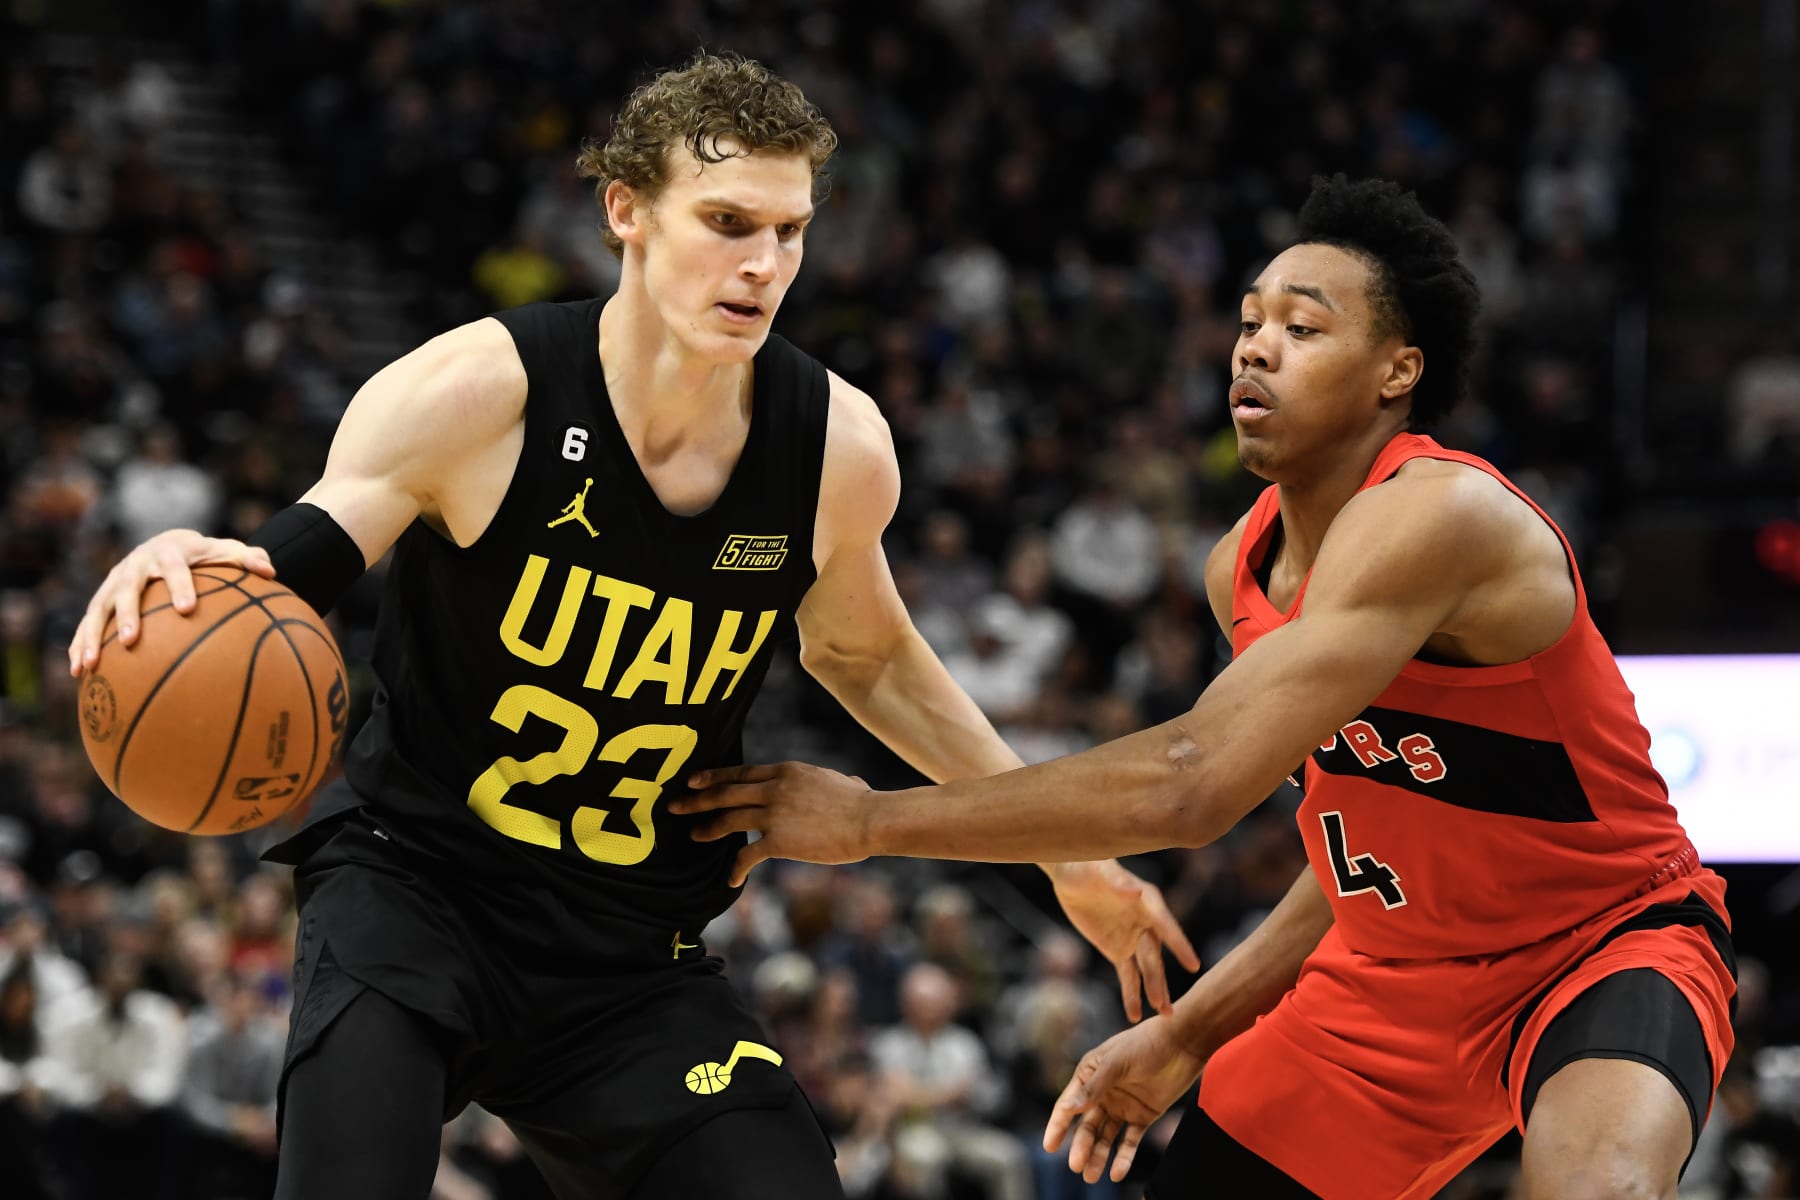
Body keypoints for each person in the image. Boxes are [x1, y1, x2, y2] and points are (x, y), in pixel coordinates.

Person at [64, 52, 1197, 1200]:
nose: (763, 264)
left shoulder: (835, 449)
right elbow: (299, 555)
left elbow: (871, 657)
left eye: (791, 232)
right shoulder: (479, 391)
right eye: (728, 222)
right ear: (625, 212)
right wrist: (211, 567)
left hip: (630, 956)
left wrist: (1066, 855)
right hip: (416, 894)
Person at [675, 175, 1739, 1200]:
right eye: (1249, 322)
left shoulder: (1444, 514)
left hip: (1601, 943)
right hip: (1392, 979)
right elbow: (1355, 854)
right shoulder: (1239, 566)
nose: (1256, 347)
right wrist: (1187, 1032)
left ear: (1397, 371)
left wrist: (869, 820)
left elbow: (1190, 784)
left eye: (1303, 327)